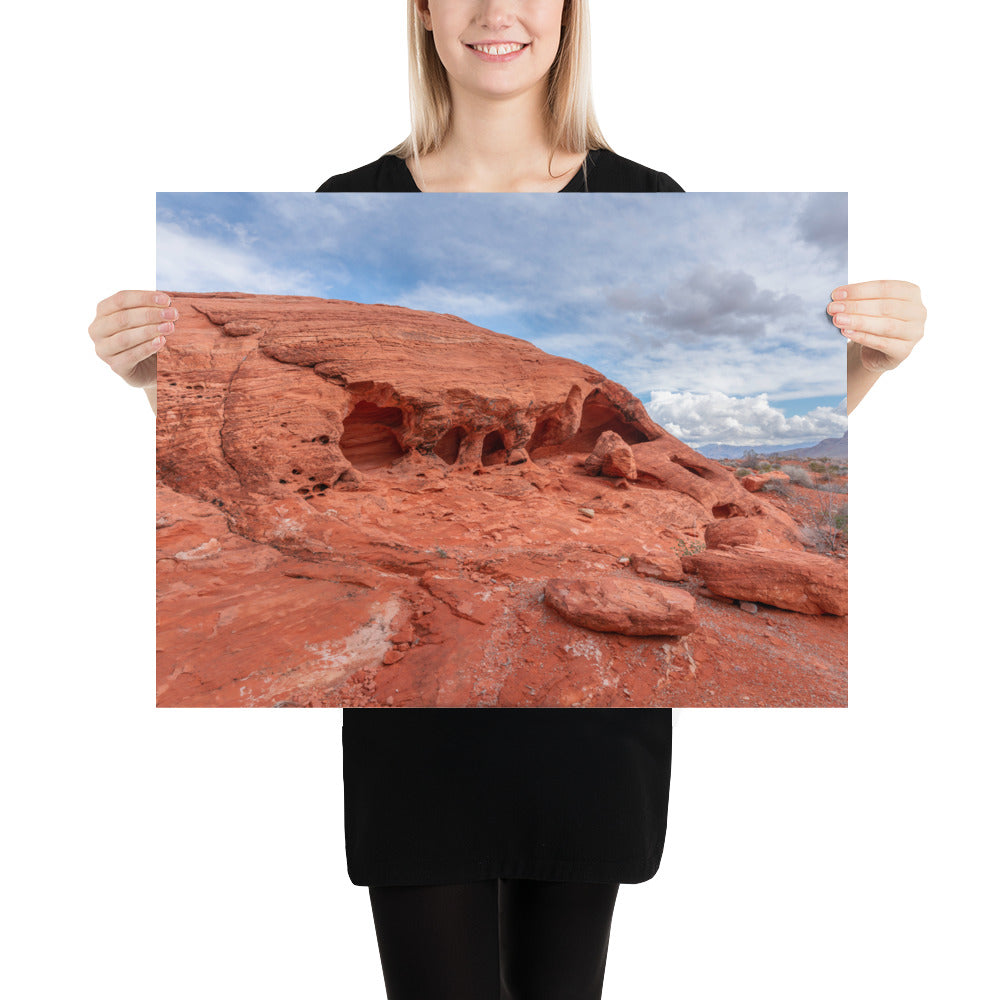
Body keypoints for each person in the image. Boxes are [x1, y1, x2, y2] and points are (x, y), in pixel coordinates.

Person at [89, 2, 926, 997]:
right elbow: (219, 456)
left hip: (591, 750)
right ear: (425, 15)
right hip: (419, 751)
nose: (497, 11)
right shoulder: (348, 196)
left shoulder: (645, 193)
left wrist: (866, 366)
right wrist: (153, 377)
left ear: (570, 15)